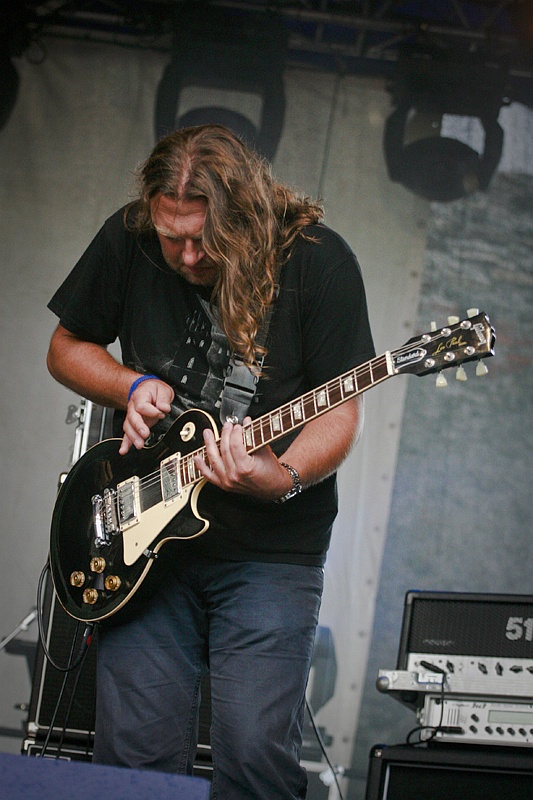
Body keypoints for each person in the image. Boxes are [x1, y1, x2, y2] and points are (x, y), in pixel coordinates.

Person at [46, 124, 375, 799]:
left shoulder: (317, 261)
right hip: (144, 548)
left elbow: (339, 411)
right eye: (173, 239)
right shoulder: (128, 238)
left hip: (270, 556)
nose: (188, 256)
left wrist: (277, 478)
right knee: (132, 766)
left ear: (247, 218)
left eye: (207, 241)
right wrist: (129, 386)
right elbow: (66, 346)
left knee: (255, 757)